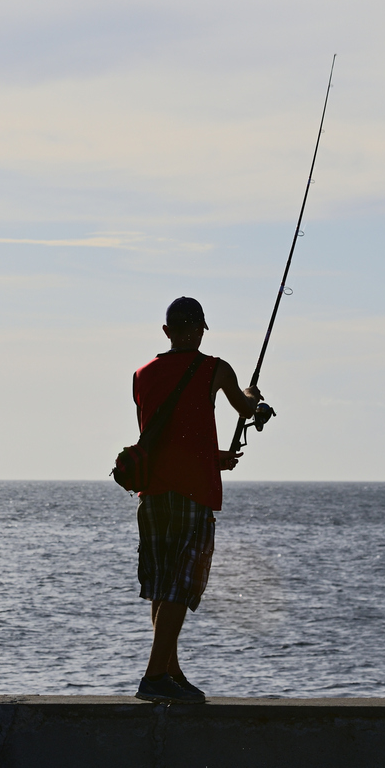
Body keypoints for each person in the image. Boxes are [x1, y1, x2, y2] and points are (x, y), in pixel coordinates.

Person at [130, 297, 260, 704]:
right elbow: (246, 407)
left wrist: (213, 457)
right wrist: (255, 396)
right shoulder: (215, 368)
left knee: (161, 584)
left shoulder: (141, 374)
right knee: (180, 586)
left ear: (166, 331)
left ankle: (170, 670)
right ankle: (154, 677)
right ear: (202, 329)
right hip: (193, 494)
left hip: (152, 493)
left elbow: (167, 433)